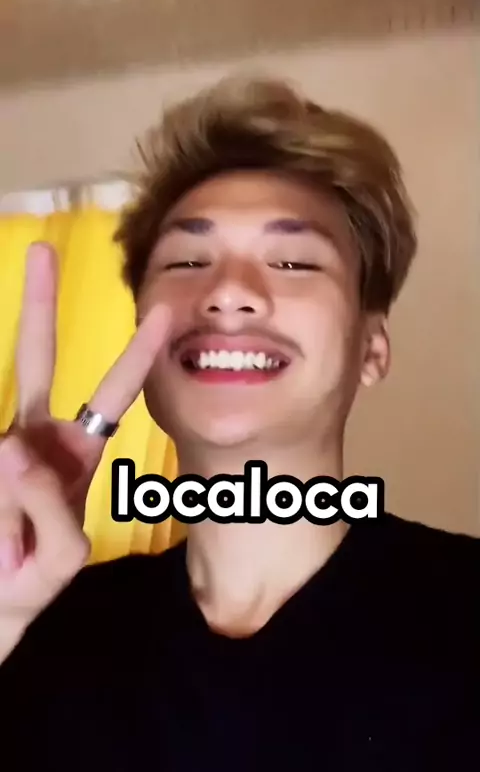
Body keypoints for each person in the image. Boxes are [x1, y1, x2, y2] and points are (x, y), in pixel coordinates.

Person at [0, 76, 477, 772]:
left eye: (294, 261)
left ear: (371, 349)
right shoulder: (42, 631)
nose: (226, 292)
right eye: (188, 261)